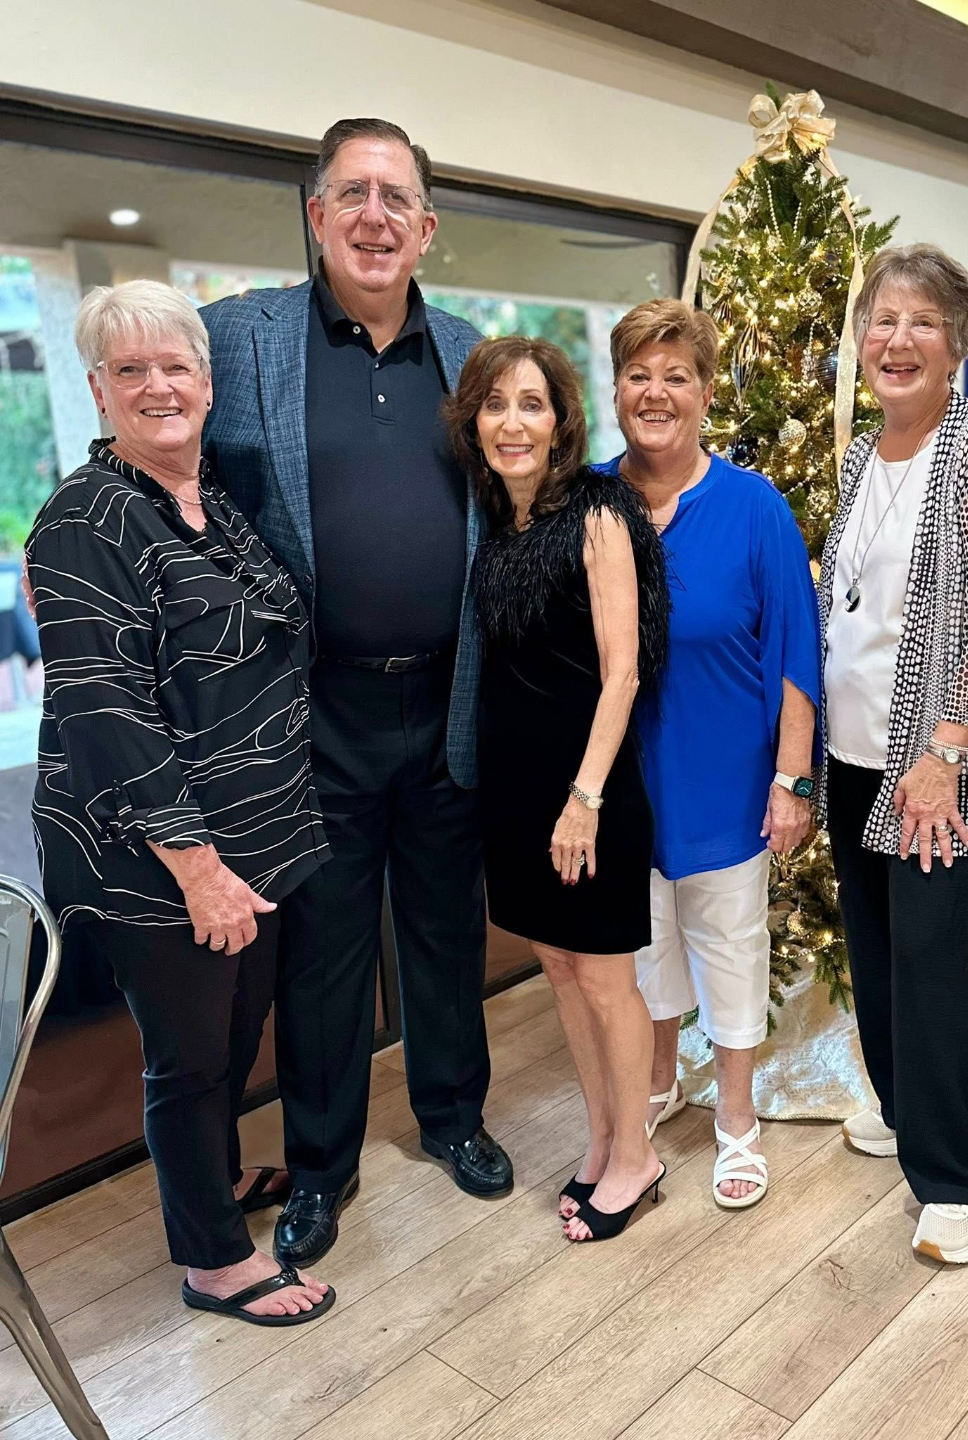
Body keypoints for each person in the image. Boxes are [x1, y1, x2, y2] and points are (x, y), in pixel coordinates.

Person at [202, 117, 512, 1267]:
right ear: (317, 213)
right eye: (353, 194)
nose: (374, 217)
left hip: (444, 702)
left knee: (444, 931)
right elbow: (167, 466)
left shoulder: (469, 353)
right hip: (313, 709)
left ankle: (453, 1117)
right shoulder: (239, 338)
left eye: (396, 199)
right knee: (323, 954)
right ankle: (321, 1167)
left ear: (425, 228)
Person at [27, 280, 333, 1325]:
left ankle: (217, 1182)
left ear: (206, 383)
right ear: (98, 389)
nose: (159, 387)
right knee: (191, 1060)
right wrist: (198, 870)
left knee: (233, 1036)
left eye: (176, 366)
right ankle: (213, 1263)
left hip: (258, 835)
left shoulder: (206, 500)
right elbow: (105, 714)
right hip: (162, 857)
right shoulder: (84, 520)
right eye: (132, 369)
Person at [821, 244, 968, 1264]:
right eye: (881, 320)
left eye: (921, 322)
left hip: (935, 765)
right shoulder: (863, 453)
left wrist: (946, 748)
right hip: (852, 753)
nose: (896, 340)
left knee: (931, 963)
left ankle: (958, 1176)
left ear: (957, 343)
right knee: (873, 948)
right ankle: (904, 1108)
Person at [446, 336, 670, 1242]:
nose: (512, 422)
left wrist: (585, 799)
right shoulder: (495, 528)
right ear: (474, 422)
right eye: (495, 404)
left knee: (607, 979)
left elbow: (622, 673)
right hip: (514, 793)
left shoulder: (598, 511)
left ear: (560, 420)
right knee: (562, 972)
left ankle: (638, 1156)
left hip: (589, 795)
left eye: (530, 404)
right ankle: (603, 1137)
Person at [599, 299, 822, 1211]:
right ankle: (657, 1082)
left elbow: (796, 651)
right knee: (643, 945)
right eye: (639, 374)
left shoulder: (753, 506)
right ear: (616, 388)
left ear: (703, 393)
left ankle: (736, 1116)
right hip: (620, 784)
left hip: (727, 778)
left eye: (677, 376)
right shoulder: (589, 499)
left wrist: (791, 779)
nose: (656, 393)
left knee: (728, 948)